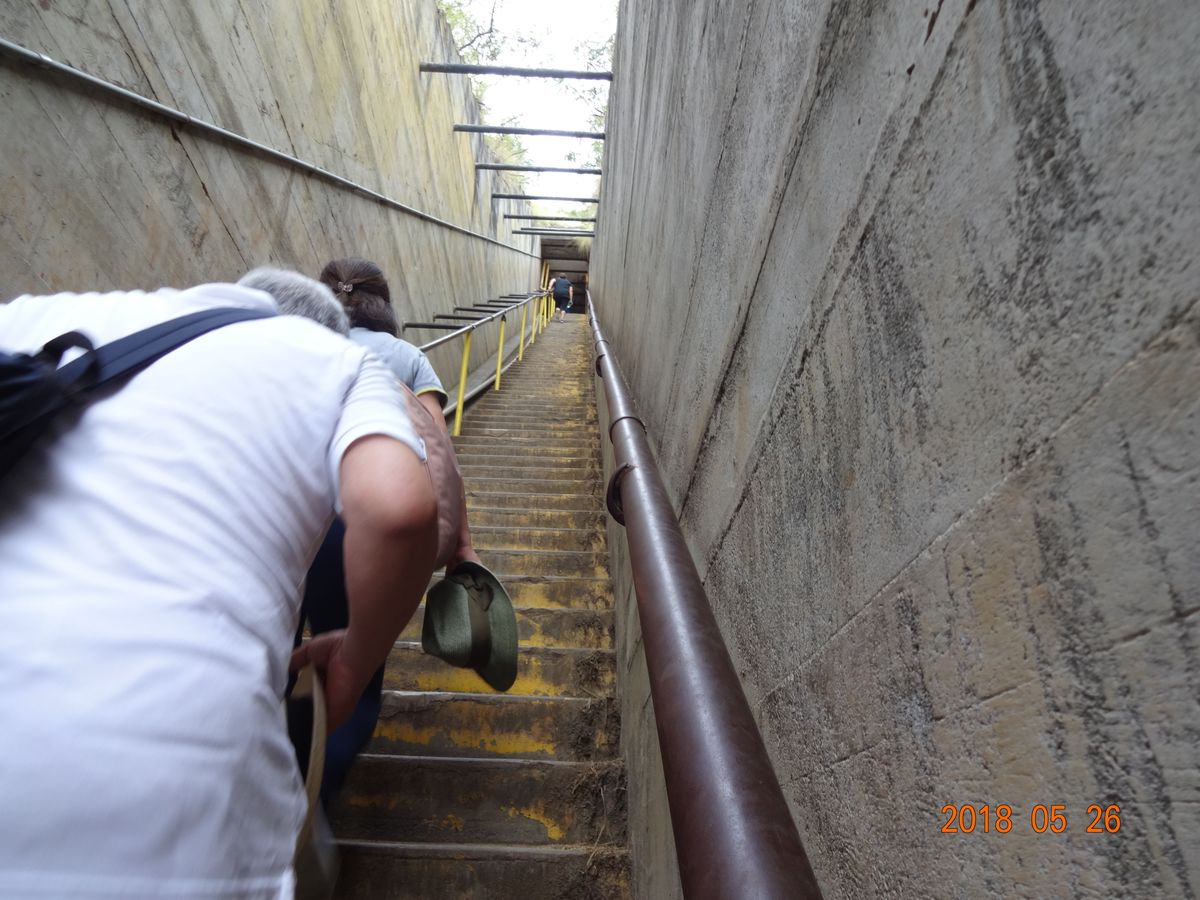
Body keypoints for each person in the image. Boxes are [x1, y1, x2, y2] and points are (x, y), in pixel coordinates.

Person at [0, 269, 438, 898]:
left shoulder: (31, 316)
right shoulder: (338, 362)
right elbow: (398, 511)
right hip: (174, 780)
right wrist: (355, 659)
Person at [303, 256, 480, 805]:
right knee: (352, 664)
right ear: (383, 303)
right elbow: (437, 451)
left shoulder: (298, 344)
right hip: (358, 526)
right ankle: (314, 795)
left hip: (280, 516)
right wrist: (462, 544)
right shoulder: (405, 357)